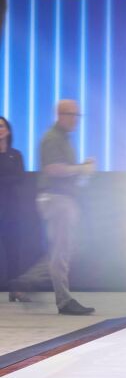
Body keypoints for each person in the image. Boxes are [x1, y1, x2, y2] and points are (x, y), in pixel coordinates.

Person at [11, 101, 96, 315]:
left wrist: (80, 170)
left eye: (78, 115)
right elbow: (53, 169)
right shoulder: (52, 138)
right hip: (57, 200)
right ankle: (63, 300)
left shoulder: (62, 139)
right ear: (61, 114)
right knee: (61, 251)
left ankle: (27, 282)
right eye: (73, 114)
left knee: (64, 249)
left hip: (62, 199)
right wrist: (81, 168)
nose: (76, 119)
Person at [0, 116, 26, 302]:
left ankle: (15, 289)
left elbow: (20, 177)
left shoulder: (15, 155)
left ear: (8, 130)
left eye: (2, 126)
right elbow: (12, 178)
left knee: (13, 250)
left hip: (11, 208)